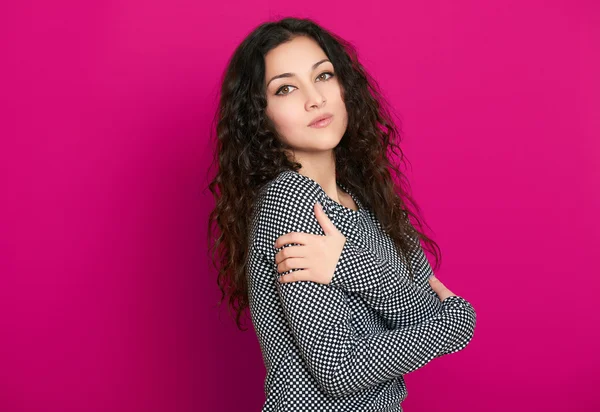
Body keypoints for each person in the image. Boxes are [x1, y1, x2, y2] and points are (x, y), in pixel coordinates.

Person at [207, 17, 477, 412]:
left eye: (323, 76)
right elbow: (340, 370)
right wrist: (457, 323)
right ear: (260, 115)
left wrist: (349, 265)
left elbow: (423, 313)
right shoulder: (291, 200)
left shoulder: (371, 204)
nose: (314, 99)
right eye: (285, 88)